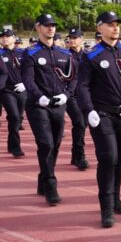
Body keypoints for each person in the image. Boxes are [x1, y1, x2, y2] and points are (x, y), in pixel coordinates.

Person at [77, 11, 121, 227]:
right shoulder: (91, 55)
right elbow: (82, 86)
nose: (115, 28)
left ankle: (115, 199)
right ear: (99, 28)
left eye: (117, 24)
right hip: (102, 113)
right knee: (108, 157)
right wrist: (89, 110)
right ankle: (106, 208)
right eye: (110, 24)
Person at [21, 14, 77, 205]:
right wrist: (40, 97)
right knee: (46, 144)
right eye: (46, 25)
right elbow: (28, 79)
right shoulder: (30, 53)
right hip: (38, 105)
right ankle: (51, 185)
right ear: (38, 28)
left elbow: (74, 77)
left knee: (56, 144)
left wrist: (66, 95)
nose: (51, 28)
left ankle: (43, 178)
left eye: (53, 25)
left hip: (58, 104)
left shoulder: (65, 53)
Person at [65, 28, 89, 170]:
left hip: (86, 95)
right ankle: (80, 156)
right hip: (71, 95)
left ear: (82, 39)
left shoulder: (88, 55)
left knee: (83, 124)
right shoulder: (64, 55)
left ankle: (75, 154)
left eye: (75, 37)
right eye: (70, 37)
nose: (72, 40)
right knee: (79, 123)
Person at [0, 29, 26, 157]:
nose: (4, 38)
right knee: (14, 116)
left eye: (7, 36)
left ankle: (11, 144)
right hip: (6, 90)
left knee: (18, 118)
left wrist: (24, 84)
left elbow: (29, 71)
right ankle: (16, 147)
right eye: (2, 37)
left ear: (14, 38)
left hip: (21, 88)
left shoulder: (23, 53)